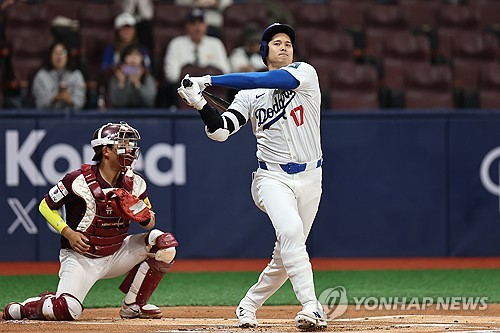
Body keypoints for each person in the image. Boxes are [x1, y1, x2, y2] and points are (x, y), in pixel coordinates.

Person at [177, 23, 327, 330]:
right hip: (271, 179)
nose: (284, 46)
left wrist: (209, 80)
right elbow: (219, 131)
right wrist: (201, 104)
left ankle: (248, 304)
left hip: (312, 177)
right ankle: (312, 306)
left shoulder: (304, 74)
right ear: (264, 51)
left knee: (286, 255)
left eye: (288, 42)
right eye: (276, 43)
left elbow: (262, 79)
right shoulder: (250, 95)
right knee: (290, 232)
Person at [2, 121, 178, 321]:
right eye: (123, 144)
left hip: (116, 252)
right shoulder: (77, 180)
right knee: (67, 310)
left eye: (130, 144)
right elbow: (45, 205)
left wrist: (142, 213)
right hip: (81, 256)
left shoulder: (135, 182)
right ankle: (25, 308)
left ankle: (134, 306)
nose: (130, 149)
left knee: (164, 243)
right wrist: (67, 232)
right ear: (106, 151)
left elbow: (150, 223)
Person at [31, 41, 86, 111]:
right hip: (47, 119)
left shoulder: (76, 75)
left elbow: (81, 103)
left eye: (63, 52)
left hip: (72, 119)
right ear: (50, 56)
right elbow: (39, 104)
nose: (59, 56)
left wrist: (70, 100)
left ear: (68, 56)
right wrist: (54, 98)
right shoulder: (41, 76)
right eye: (55, 53)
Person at [108, 43, 157, 108]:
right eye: (129, 55)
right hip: (121, 115)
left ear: (142, 59)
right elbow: (117, 103)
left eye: (136, 55)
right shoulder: (116, 78)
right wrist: (121, 84)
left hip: (144, 115)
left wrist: (137, 84)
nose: (133, 58)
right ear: (123, 59)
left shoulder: (148, 78)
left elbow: (149, 102)